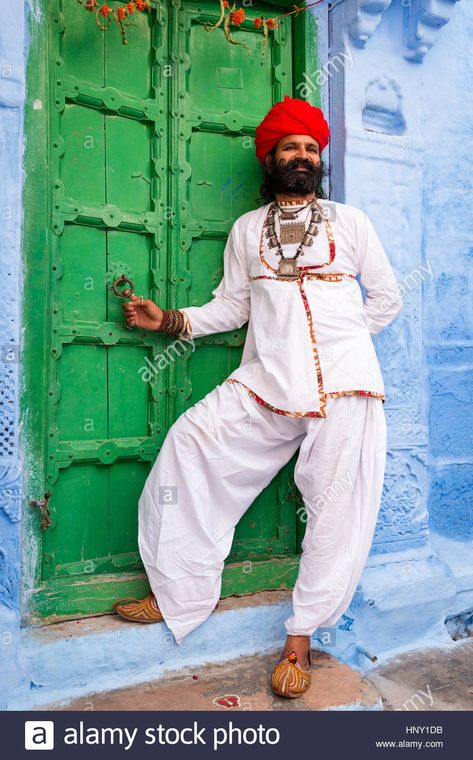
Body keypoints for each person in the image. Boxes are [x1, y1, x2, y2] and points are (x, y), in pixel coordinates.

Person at [113, 95, 403, 699]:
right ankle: (177, 592)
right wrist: (166, 319)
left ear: (319, 160)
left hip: (346, 387)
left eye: (311, 149)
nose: (302, 156)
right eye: (290, 148)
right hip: (269, 381)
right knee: (189, 444)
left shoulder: (351, 224)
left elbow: (386, 299)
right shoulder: (248, 230)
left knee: (333, 512)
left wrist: (343, 340)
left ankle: (299, 641)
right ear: (270, 160)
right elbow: (233, 307)